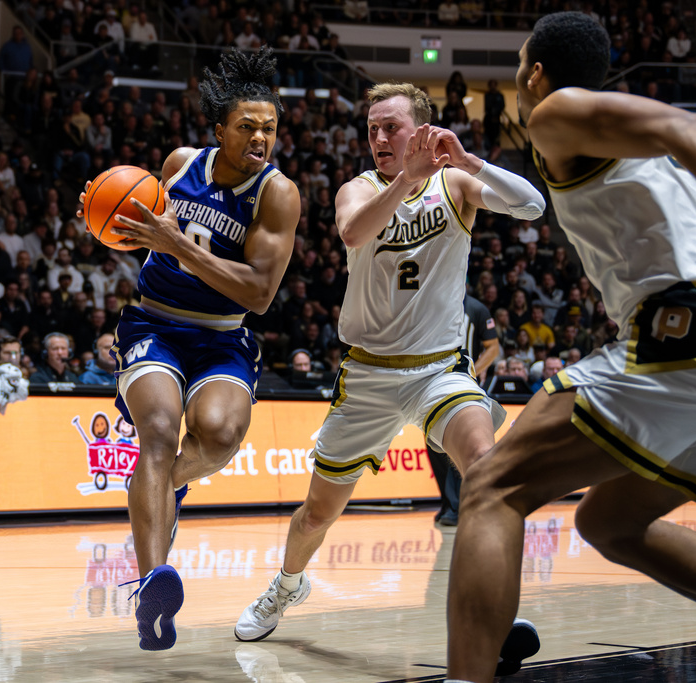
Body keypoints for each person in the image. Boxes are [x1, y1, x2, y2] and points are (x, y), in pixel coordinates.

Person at [233, 81, 545, 676]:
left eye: (392, 127)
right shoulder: (359, 188)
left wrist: (468, 158)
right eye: (372, 128)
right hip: (368, 377)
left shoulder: (455, 185)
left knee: (487, 467)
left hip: (438, 371)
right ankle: (286, 584)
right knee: (317, 515)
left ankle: (494, 615)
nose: (378, 137)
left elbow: (532, 206)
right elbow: (353, 233)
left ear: (422, 131)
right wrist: (406, 177)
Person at [447, 13, 696, 681]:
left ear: (534, 73)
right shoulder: (621, 139)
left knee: (492, 486)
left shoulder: (555, 111)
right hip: (680, 349)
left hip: (681, 338)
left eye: (520, 68)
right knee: (610, 520)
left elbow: (688, 128)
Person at [80, 47, 299, 651]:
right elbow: (143, 230)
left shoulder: (277, 194)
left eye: (271, 128)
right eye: (248, 127)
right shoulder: (181, 164)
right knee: (156, 428)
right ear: (220, 128)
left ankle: (166, 487)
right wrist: (111, 223)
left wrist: (179, 246)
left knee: (221, 438)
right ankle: (153, 582)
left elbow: (257, 293)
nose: (261, 138)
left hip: (225, 334)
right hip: (155, 322)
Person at [427, 293, 501, 527]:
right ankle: (449, 503)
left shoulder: (476, 308)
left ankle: (458, 506)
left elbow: (493, 347)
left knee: (458, 443)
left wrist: (473, 370)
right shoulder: (432, 301)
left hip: (460, 383)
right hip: (431, 381)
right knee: (433, 444)